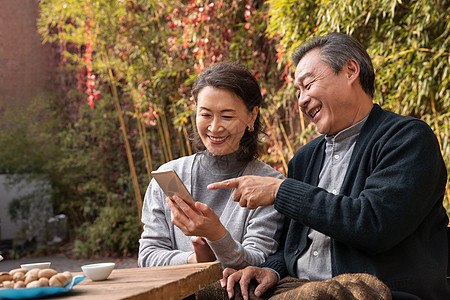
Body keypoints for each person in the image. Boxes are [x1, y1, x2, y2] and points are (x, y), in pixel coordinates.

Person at [208, 33, 450, 299]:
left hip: (379, 291)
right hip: (300, 288)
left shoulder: (408, 139)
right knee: (216, 292)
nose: (301, 100)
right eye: (297, 91)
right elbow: (291, 245)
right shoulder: (304, 158)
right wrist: (271, 270)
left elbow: (373, 224)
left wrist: (281, 191)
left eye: (308, 84)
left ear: (350, 71)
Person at [138, 62, 285, 270]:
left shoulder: (269, 185)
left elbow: (259, 262)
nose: (214, 128)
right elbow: (147, 257)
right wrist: (196, 260)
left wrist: (217, 235)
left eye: (227, 116)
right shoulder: (168, 177)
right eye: (205, 114)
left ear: (251, 116)